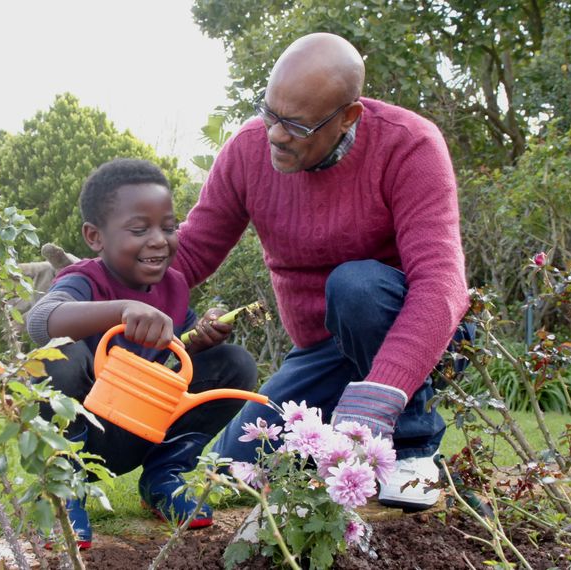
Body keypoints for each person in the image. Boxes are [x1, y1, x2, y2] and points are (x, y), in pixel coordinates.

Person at [173, 33, 471, 510]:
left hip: (405, 336)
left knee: (355, 286)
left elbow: (443, 285)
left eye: (295, 124)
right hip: (321, 352)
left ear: (348, 116)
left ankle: (413, 450)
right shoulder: (249, 150)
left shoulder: (409, 145)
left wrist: (386, 388)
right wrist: (103, 284)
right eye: (269, 112)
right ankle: (346, 438)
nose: (274, 133)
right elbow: (190, 254)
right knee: (240, 467)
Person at [25, 158, 258, 548]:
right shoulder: (85, 280)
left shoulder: (173, 286)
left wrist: (199, 338)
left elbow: (174, 352)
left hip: (140, 429)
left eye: (169, 227)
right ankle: (62, 491)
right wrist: (121, 309)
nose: (158, 240)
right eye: (139, 229)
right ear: (95, 236)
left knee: (236, 364)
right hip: (85, 440)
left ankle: (163, 478)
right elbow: (40, 319)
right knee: (58, 357)